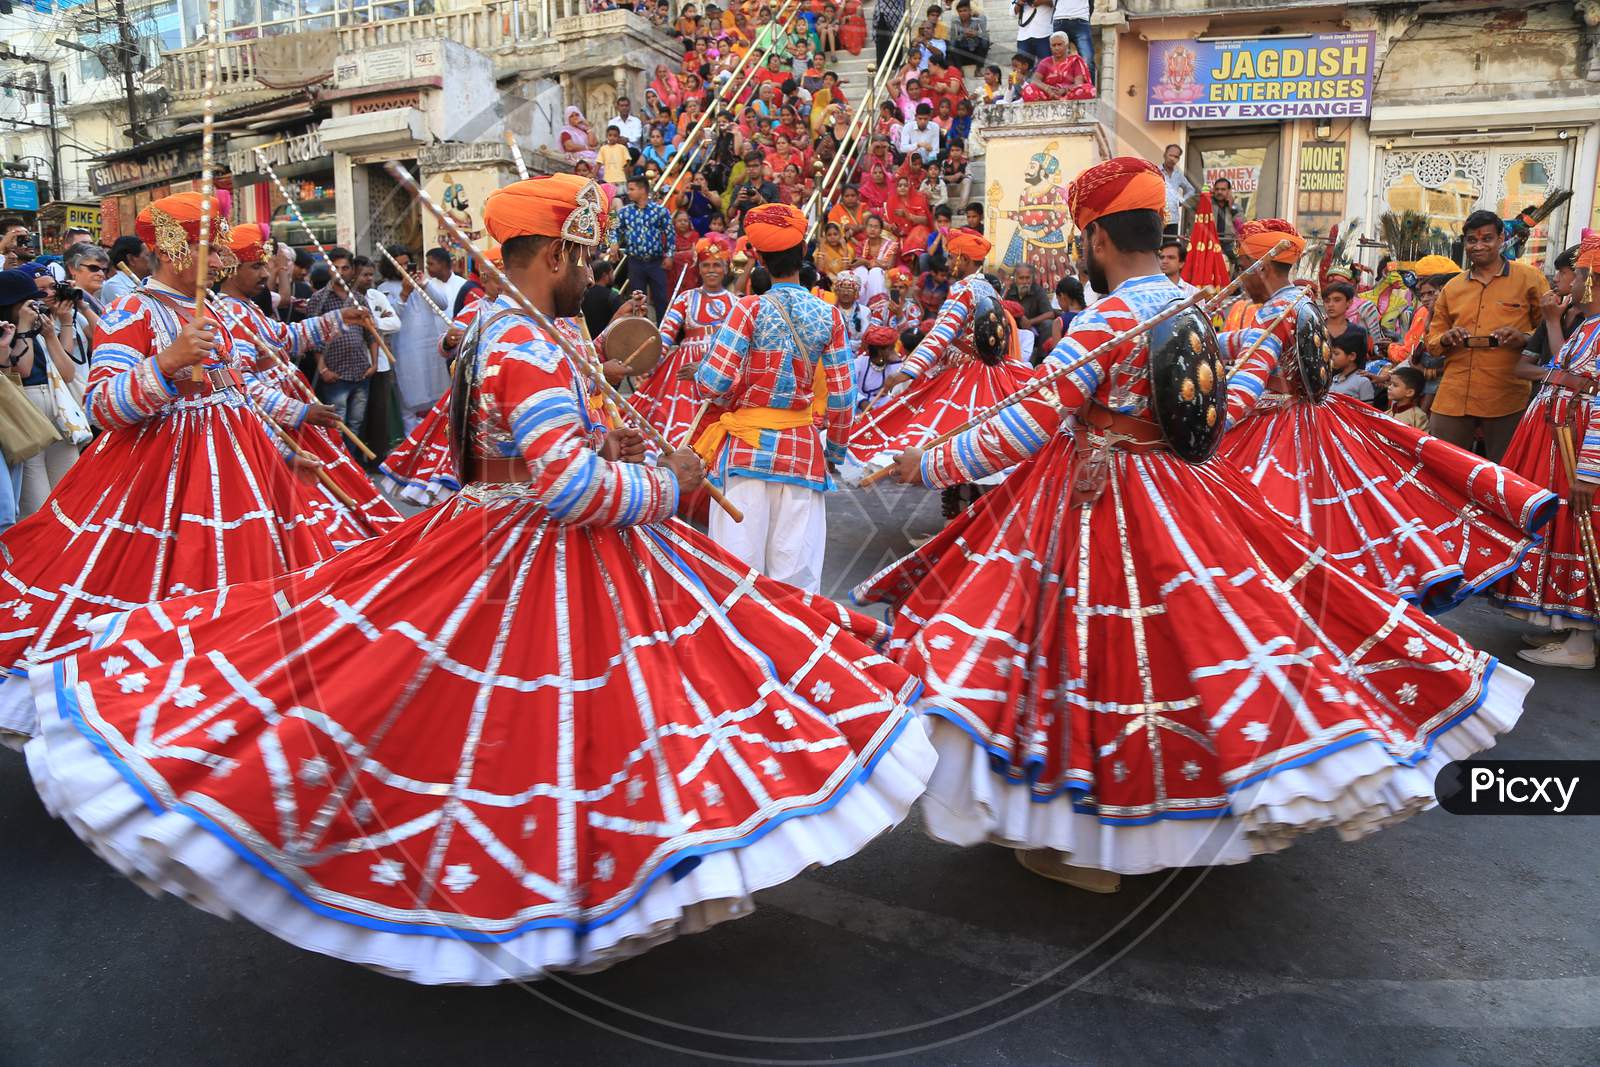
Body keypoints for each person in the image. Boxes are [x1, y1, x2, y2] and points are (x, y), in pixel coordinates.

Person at [22, 173, 936, 986]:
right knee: (546, 713)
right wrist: (668, 482)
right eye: (585, 253)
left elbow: (516, 452)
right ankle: (550, 890)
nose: (595, 270)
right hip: (531, 543)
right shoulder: (526, 342)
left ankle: (577, 884)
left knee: (554, 714)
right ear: (552, 254)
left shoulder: (516, 328)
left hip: (512, 535)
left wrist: (605, 439)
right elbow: (568, 487)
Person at [860, 157, 1533, 894]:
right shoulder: (1190, 304)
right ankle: (1129, 823)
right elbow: (1210, 410)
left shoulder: (1112, 316)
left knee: (1085, 655)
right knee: (1187, 645)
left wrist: (919, 462)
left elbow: (1021, 427)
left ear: (1096, 240)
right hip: (1181, 492)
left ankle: (1084, 841)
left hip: (1101, 498)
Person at [0, 192, 344, 746]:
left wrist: (282, 453)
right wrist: (166, 363)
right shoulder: (132, 311)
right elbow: (103, 405)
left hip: (243, 481)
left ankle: (240, 713)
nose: (218, 261)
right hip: (161, 488)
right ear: (168, 250)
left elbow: (238, 399)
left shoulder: (216, 314)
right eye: (206, 247)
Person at [1219, 218, 1555, 611]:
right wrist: (1199, 336)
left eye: (1243, 263)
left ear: (1260, 266)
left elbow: (1252, 371)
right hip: (1313, 419)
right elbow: (1250, 341)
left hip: (1281, 425)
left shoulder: (1280, 309)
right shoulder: (1298, 301)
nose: (1240, 274)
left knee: (1270, 516)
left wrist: (1213, 423)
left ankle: (1289, 601)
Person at [692, 203, 855, 593]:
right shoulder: (829, 316)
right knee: (794, 585)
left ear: (759, 258)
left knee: (735, 579)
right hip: (802, 456)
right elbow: (843, 397)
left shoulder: (747, 309)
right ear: (803, 255)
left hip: (746, 452)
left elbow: (711, 384)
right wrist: (833, 452)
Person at [214, 225, 401, 545]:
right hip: (274, 425)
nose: (265, 273)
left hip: (289, 415)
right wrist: (299, 411)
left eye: (264, 264)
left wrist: (339, 319)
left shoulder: (246, 308)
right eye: (256, 266)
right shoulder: (228, 313)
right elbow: (242, 385)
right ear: (231, 270)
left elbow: (285, 338)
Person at [1490, 231, 1600, 668]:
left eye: (1577, 276)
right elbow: (1561, 373)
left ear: (1591, 280)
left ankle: (1581, 643)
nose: (1567, 282)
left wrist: (1590, 471)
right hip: (1558, 445)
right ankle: (1570, 631)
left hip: (1578, 449)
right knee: (1563, 529)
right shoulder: (1587, 326)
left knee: (1580, 531)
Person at [1424, 210, 1549, 463]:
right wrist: (1447, 338)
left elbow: (1549, 331)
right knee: (1442, 467)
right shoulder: (1453, 287)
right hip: (1454, 394)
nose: (1478, 246)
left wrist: (1523, 337)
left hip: (1506, 395)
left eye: (1487, 238)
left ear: (1501, 238)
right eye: (1472, 240)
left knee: (1506, 473)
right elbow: (1432, 341)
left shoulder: (1529, 279)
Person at [634, 236, 738, 445]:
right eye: (705, 265)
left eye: (717, 265)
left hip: (720, 371)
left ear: (726, 268)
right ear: (698, 268)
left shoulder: (736, 302)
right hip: (683, 375)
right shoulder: (686, 298)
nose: (711, 270)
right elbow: (664, 336)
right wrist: (648, 366)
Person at [307, 247, 378, 444]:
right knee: (337, 426)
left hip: (360, 371)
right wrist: (323, 370)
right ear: (329, 270)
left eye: (345, 268)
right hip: (334, 374)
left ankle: (354, 469)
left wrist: (374, 364)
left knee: (355, 424)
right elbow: (312, 338)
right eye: (335, 267)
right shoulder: (318, 299)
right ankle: (340, 470)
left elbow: (372, 334)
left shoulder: (359, 298)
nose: (340, 272)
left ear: (351, 270)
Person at [614, 176, 676, 318]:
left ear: (642, 190)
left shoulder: (660, 211)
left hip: (656, 262)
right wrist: (613, 243)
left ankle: (663, 332)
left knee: (661, 299)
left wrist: (670, 255)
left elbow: (670, 234)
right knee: (637, 300)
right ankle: (641, 330)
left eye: (632, 189)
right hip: (635, 262)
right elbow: (614, 229)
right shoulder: (625, 212)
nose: (628, 192)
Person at [1019, 31, 1094, 101]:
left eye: (1059, 44)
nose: (1056, 48)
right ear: (1050, 47)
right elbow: (1035, 80)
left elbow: (1078, 83)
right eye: (1053, 45)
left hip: (1069, 93)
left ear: (1066, 45)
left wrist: (1064, 90)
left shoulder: (1074, 61)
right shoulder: (1045, 62)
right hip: (1048, 94)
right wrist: (1047, 89)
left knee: (1088, 89)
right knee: (1028, 90)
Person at [1005, 263, 1054, 356]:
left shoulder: (1038, 290)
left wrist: (1030, 322)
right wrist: (1019, 315)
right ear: (1015, 279)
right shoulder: (1009, 290)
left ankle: (1042, 358)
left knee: (1048, 324)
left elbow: (1050, 314)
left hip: (1035, 328)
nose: (1025, 282)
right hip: (1015, 327)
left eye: (1027, 278)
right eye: (1021, 278)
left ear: (1032, 278)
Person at [1159, 143, 1196, 237]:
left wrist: (1182, 201)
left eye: (1176, 156)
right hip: (1157, 218)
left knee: (1171, 247)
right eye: (1170, 155)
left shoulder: (1178, 174)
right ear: (1165, 155)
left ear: (1178, 159)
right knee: (1155, 247)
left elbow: (1191, 189)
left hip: (1173, 218)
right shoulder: (1155, 171)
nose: (1172, 159)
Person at [1327, 332, 1375, 404]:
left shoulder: (1362, 381)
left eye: (1336, 354)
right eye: (1331, 354)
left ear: (1352, 356)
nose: (1332, 358)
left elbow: (1367, 412)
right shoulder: (1335, 379)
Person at [101, 235, 150, 303]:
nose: (152, 260)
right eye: (148, 255)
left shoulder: (148, 282)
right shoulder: (115, 285)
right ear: (131, 259)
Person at [948, 0, 989, 70]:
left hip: (976, 52)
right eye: (960, 11)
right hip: (962, 52)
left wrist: (976, 34)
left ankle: (979, 69)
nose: (962, 13)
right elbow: (952, 38)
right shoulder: (955, 21)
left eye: (965, 10)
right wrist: (963, 36)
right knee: (952, 43)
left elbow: (986, 35)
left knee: (985, 40)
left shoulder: (979, 19)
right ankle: (959, 70)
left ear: (970, 11)